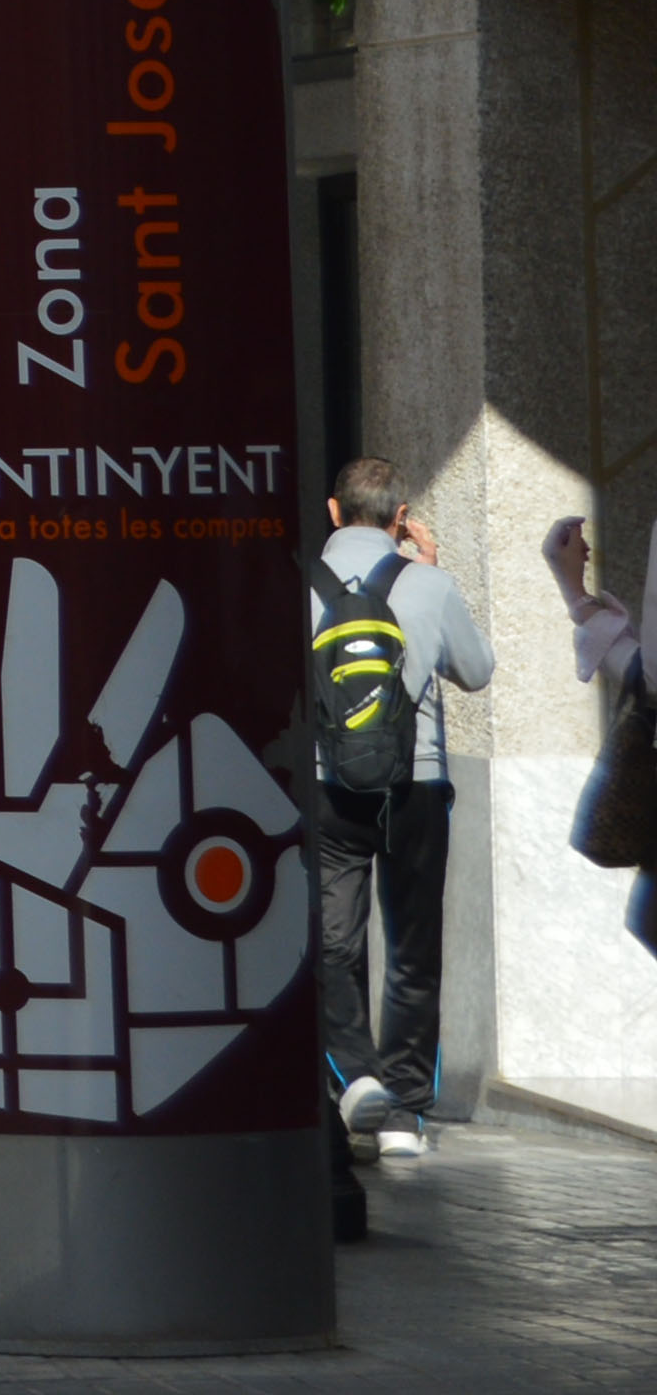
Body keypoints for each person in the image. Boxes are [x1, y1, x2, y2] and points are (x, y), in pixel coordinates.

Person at [307, 459, 496, 1155]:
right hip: (415, 786)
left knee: (333, 940)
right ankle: (408, 1114)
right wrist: (434, 575)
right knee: (414, 947)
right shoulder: (429, 583)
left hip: (328, 786)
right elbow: (476, 673)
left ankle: (356, 1082)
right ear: (400, 515)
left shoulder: (299, 584)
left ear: (333, 511)